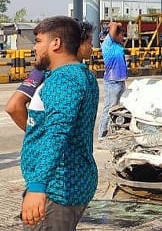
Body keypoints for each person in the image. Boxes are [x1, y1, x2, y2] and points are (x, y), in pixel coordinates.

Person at [20, 16, 98, 229]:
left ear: (56, 43)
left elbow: (57, 133)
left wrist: (37, 186)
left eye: (38, 41)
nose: (34, 47)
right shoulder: (76, 75)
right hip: (61, 182)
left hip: (56, 188)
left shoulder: (64, 80)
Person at [5, 21, 94, 132]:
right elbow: (14, 106)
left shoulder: (81, 73)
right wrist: (36, 135)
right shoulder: (46, 69)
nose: (92, 46)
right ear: (77, 43)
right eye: (89, 42)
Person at [98, 21, 127, 140]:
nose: (123, 38)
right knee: (109, 108)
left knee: (119, 109)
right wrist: (117, 25)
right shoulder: (107, 43)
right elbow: (114, 25)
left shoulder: (118, 45)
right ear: (115, 35)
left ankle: (115, 130)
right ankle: (102, 134)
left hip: (120, 80)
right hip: (112, 82)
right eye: (121, 35)